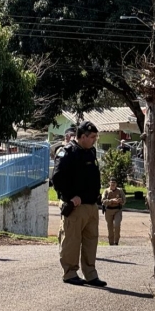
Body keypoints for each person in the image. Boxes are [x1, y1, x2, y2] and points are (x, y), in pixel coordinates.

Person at [51, 121, 106, 287]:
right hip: (75, 206)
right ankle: (70, 273)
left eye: (96, 137)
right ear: (82, 136)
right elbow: (57, 178)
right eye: (92, 137)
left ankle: (90, 274)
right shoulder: (67, 152)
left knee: (91, 241)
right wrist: (69, 197)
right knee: (71, 241)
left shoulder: (90, 152)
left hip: (91, 205)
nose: (95, 140)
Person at [101, 177, 126, 246]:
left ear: (116, 184)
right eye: (111, 183)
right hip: (108, 210)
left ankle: (116, 241)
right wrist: (112, 201)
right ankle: (111, 243)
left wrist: (120, 201)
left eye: (114, 183)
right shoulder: (106, 191)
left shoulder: (120, 191)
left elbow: (124, 200)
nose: (113, 185)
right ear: (109, 183)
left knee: (117, 224)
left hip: (117, 210)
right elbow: (103, 201)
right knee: (110, 227)